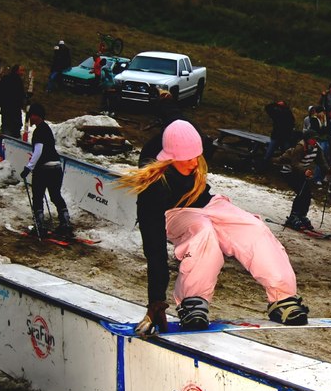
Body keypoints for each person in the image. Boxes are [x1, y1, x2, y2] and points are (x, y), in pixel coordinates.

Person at [116, 119, 310, 334]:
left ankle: (283, 298)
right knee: (203, 231)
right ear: (170, 158)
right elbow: (155, 249)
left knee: (252, 228)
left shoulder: (198, 143)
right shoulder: (153, 188)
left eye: (196, 158)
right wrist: (156, 301)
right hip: (173, 214)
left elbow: (177, 119)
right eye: (186, 160)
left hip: (207, 202)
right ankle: (193, 301)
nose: (193, 164)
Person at [20, 101, 73, 238]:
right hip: (56, 167)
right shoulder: (47, 128)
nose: (30, 118)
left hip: (44, 169)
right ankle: (65, 223)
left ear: (37, 116)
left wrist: (28, 168)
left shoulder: (39, 131)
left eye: (31, 115)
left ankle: (39, 226)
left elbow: (38, 151)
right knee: (55, 195)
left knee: (37, 196)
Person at [277, 130, 329, 231]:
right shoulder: (300, 147)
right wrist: (305, 171)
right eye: (312, 139)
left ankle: (302, 215)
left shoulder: (316, 148)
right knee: (301, 193)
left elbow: (321, 162)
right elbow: (294, 163)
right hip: (289, 172)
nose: (314, 141)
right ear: (307, 139)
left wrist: (328, 170)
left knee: (307, 194)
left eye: (316, 139)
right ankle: (293, 216)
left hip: (300, 172)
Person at [0, 64, 28, 138]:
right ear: (17, 71)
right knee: (14, 126)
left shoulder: (6, 78)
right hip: (13, 107)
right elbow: (19, 94)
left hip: (7, 107)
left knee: (7, 125)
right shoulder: (17, 81)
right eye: (21, 70)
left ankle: (6, 139)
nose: (23, 72)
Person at [263, 99, 296, 164]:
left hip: (284, 138)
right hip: (277, 137)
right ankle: (264, 166)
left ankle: (285, 168)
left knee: (286, 155)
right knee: (268, 154)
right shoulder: (276, 114)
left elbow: (268, 108)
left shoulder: (287, 114)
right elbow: (267, 108)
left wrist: (276, 104)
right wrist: (276, 104)